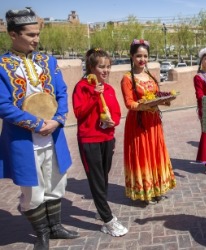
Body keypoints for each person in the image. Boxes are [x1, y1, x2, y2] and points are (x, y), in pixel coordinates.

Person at [0, 8, 79, 249]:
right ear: (13, 34)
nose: (36, 39)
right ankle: (41, 233)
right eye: (31, 34)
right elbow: (3, 105)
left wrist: (57, 120)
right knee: (33, 192)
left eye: (37, 34)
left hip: (53, 135)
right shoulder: (2, 66)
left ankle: (55, 227)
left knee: (56, 184)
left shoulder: (48, 61)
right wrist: (36, 124)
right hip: (23, 140)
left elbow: (62, 93)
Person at [72, 48, 128, 236]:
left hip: (107, 138)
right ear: (91, 67)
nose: (106, 70)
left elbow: (117, 112)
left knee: (103, 176)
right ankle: (108, 219)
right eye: (101, 67)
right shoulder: (82, 87)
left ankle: (99, 208)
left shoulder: (109, 89)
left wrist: (114, 121)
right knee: (96, 179)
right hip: (90, 139)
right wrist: (94, 95)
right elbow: (79, 113)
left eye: (108, 67)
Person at [121, 39, 176, 205]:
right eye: (138, 56)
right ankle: (145, 191)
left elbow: (158, 96)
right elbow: (129, 103)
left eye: (145, 56)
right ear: (132, 56)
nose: (142, 59)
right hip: (139, 123)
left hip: (154, 122)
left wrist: (167, 99)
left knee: (155, 153)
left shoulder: (150, 76)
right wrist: (146, 105)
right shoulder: (127, 78)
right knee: (143, 154)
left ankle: (157, 188)